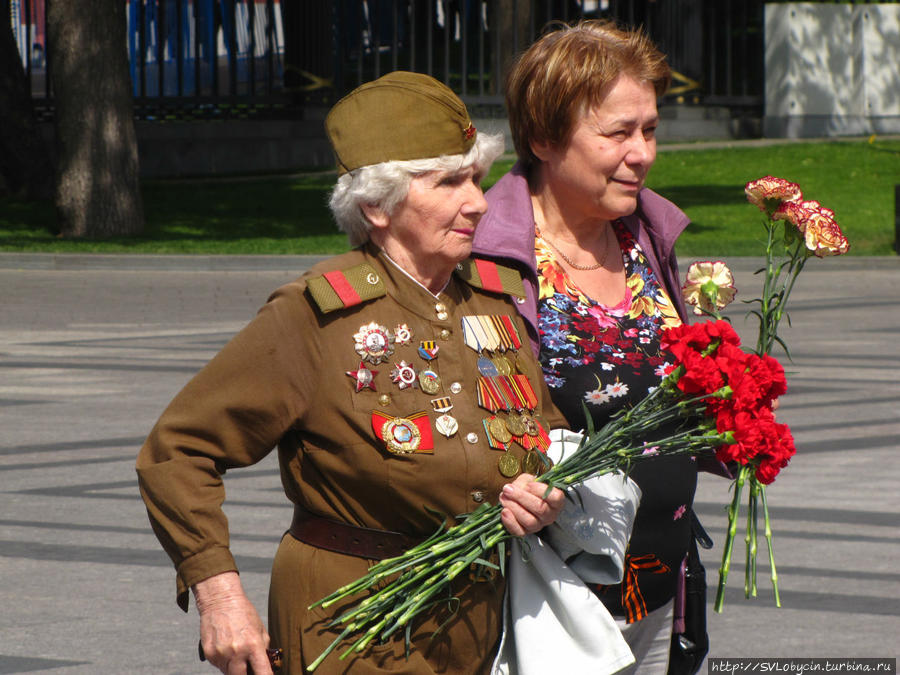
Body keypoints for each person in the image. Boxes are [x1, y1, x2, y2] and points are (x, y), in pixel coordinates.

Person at [136, 71, 570, 675]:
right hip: (351, 619)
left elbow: (545, 433)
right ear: (376, 206)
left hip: (477, 615)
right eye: (449, 181)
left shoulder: (493, 301)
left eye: (476, 177)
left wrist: (542, 489)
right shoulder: (315, 314)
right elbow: (178, 449)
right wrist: (219, 593)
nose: (477, 200)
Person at [472, 20, 704, 673]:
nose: (643, 153)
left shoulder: (647, 238)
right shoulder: (490, 257)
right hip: (547, 603)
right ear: (544, 138)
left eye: (650, 130)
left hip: (661, 592)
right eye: (617, 133)